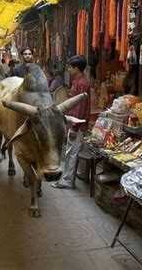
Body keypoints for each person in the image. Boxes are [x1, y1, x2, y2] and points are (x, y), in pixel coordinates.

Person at [52, 55, 91, 189]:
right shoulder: (78, 81)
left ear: (76, 68)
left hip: (77, 125)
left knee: (71, 152)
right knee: (72, 151)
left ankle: (68, 181)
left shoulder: (82, 83)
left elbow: (79, 108)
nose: (68, 70)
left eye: (70, 67)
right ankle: (71, 177)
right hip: (75, 123)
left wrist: (74, 126)